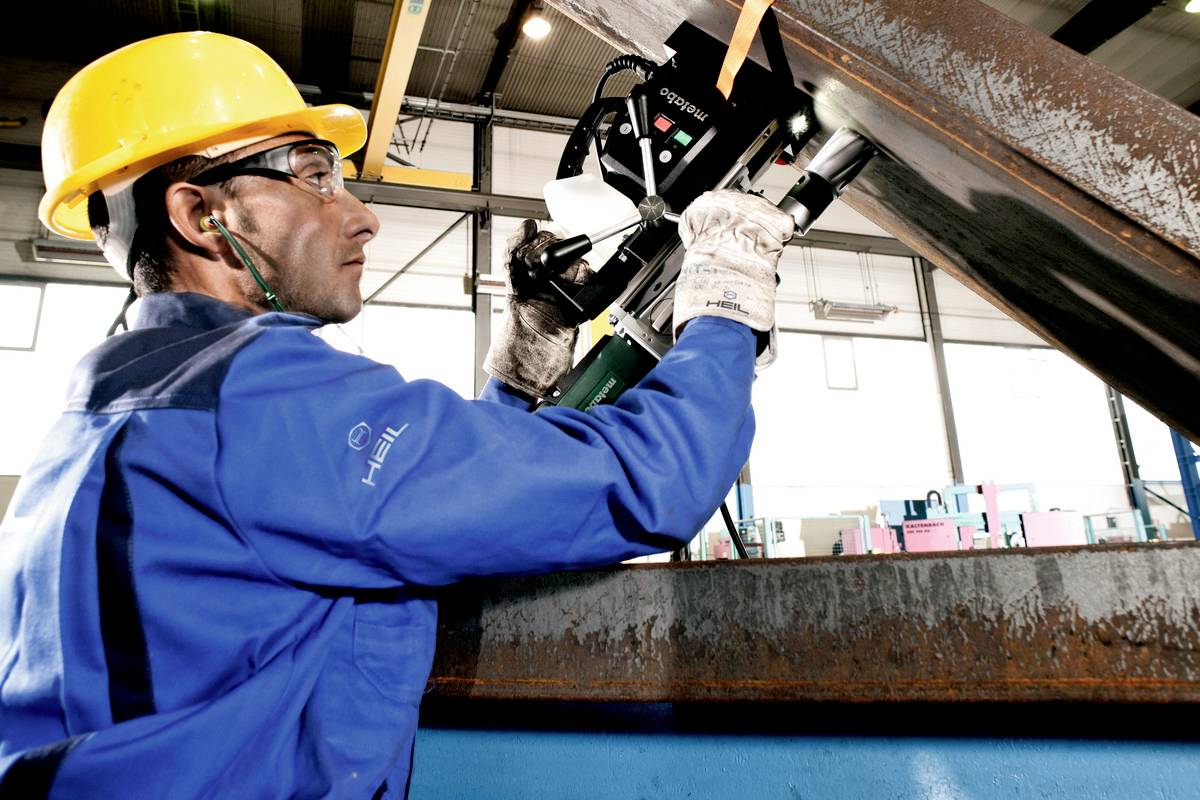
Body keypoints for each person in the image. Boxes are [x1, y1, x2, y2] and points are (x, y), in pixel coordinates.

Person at [0, 31, 795, 798]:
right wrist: (724, 305)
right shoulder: (259, 402)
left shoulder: (120, 411)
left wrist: (518, 370)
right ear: (202, 215)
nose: (361, 216)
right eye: (314, 176)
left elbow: (422, 511)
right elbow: (649, 478)